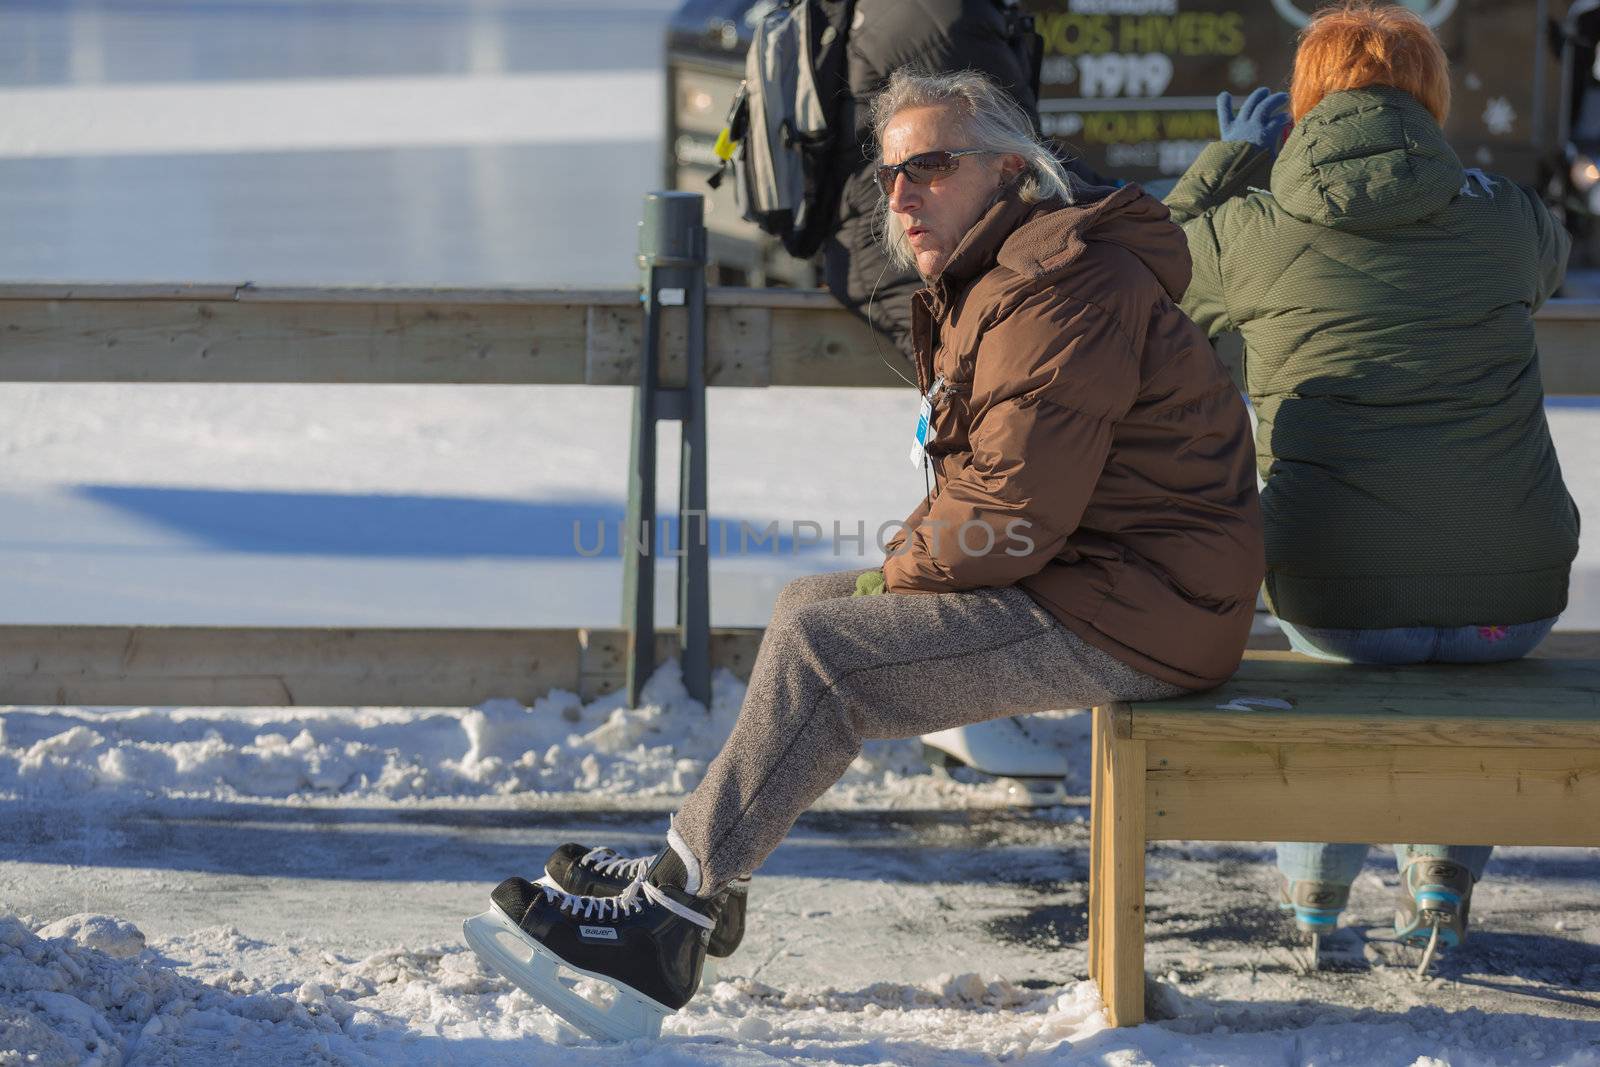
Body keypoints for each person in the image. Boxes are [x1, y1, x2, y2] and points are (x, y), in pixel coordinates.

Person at [466, 67, 1264, 1041]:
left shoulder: (1060, 284)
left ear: (1011, 170)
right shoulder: (1007, 274)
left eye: (930, 166)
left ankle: (664, 924)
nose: (902, 195)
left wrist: (895, 571)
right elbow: (996, 497)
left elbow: (1011, 509)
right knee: (811, 603)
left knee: (829, 652)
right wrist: (891, 568)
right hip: (1110, 580)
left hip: (1142, 611)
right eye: (889, 176)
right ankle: (694, 873)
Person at [1163, 1, 1579, 966]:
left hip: (1335, 597)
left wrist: (1229, 161)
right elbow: (1548, 257)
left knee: (1355, 652)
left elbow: (1154, 269)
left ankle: (1316, 896)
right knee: (1458, 652)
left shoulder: (1253, 227)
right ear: (1430, 100)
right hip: (1512, 599)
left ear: (1304, 108)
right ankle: (1439, 877)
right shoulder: (1502, 218)